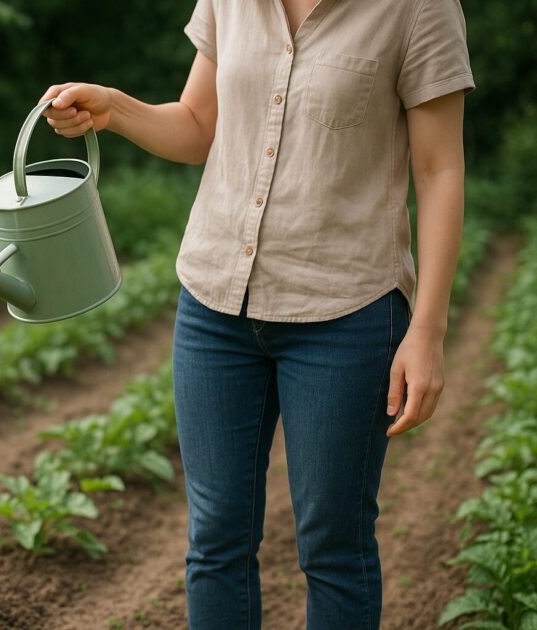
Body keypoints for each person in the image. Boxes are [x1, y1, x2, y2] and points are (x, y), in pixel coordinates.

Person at [38, 0, 474, 628]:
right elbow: (197, 124)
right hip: (215, 305)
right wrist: (116, 108)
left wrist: (428, 329)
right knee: (214, 541)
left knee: (334, 548)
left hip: (344, 313)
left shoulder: (418, 8)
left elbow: (439, 170)